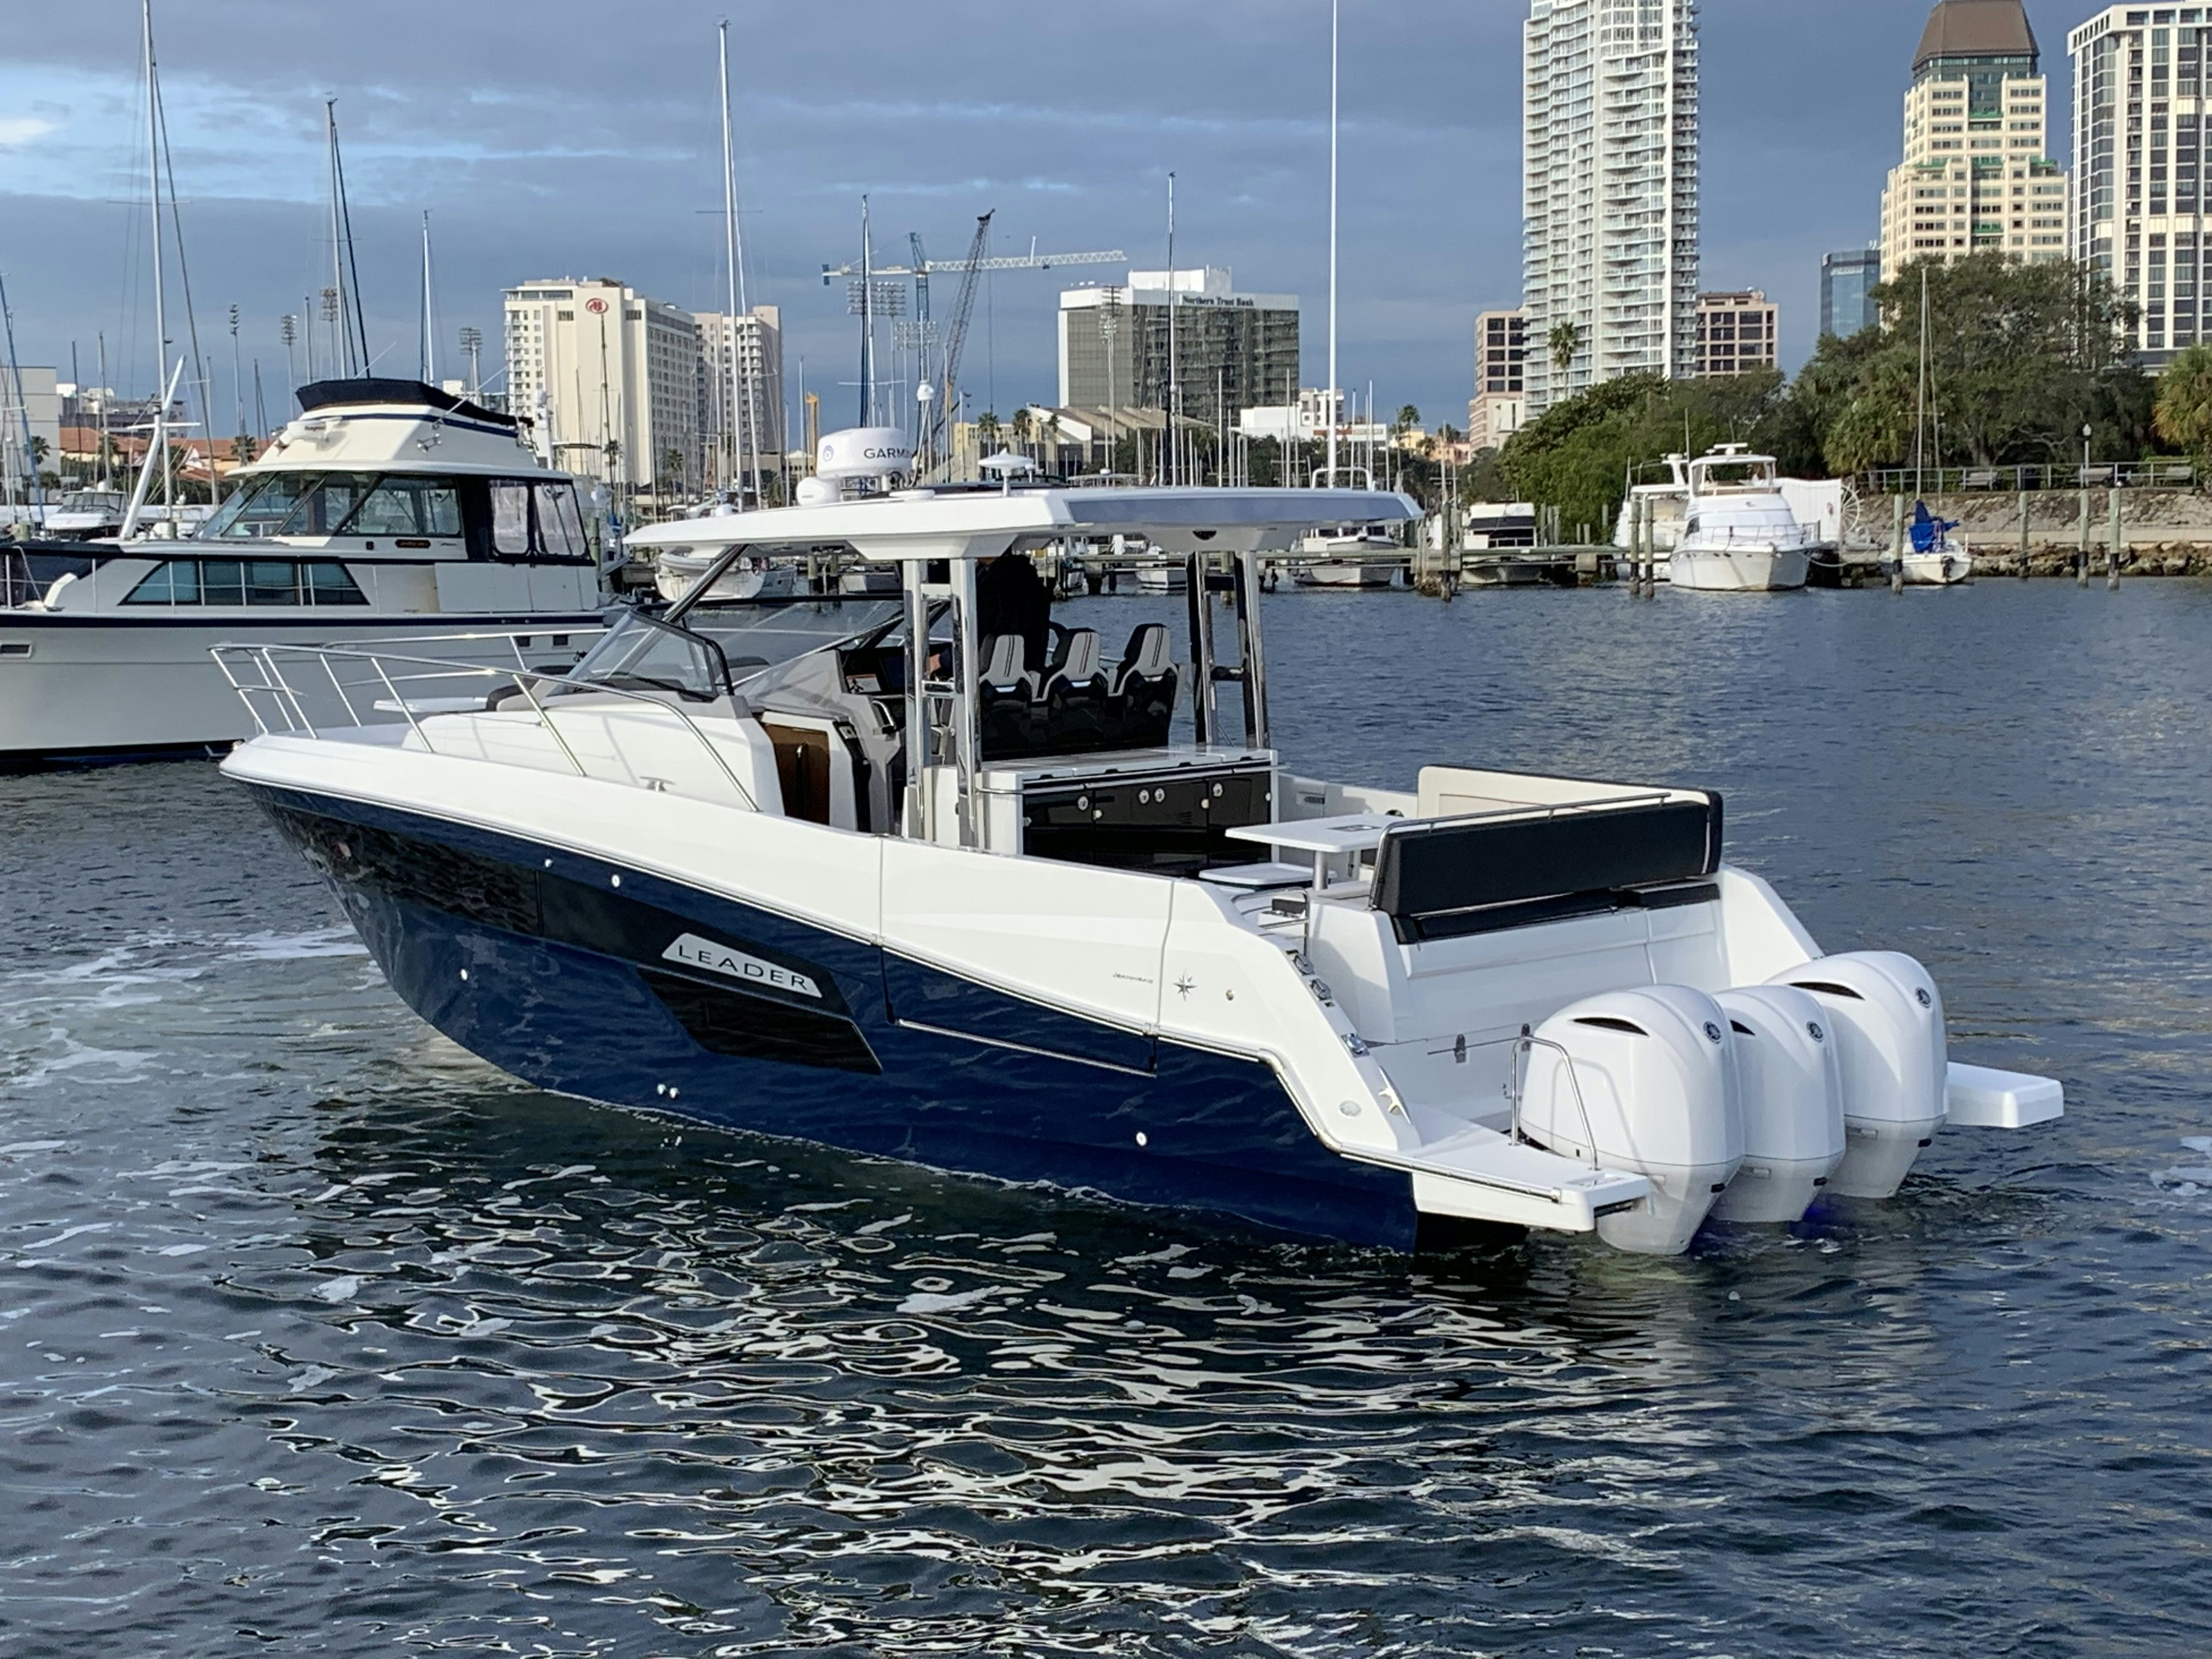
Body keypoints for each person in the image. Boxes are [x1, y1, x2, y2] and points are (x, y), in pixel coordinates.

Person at [976, 549, 1052, 674]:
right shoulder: (1030, 578)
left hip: (996, 669)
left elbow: (978, 629)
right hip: (1030, 666)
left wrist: (943, 660)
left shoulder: (991, 583)